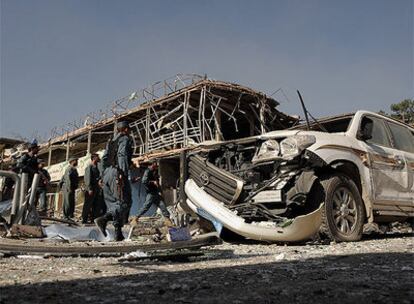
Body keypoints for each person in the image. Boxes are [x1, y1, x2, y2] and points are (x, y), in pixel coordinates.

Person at [95, 121, 133, 241]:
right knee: (125, 202)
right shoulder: (125, 139)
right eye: (129, 129)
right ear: (125, 129)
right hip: (117, 172)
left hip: (107, 173)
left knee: (113, 203)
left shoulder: (111, 141)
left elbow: (104, 159)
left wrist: (102, 176)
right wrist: (122, 173)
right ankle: (104, 219)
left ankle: (118, 233)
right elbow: (122, 155)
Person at [81, 153, 102, 224]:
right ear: (94, 158)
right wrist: (89, 189)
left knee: (96, 205)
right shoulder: (89, 167)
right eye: (97, 157)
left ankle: (94, 220)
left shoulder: (97, 167)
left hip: (96, 189)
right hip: (91, 189)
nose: (99, 158)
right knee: (88, 205)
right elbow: (87, 179)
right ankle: (84, 219)